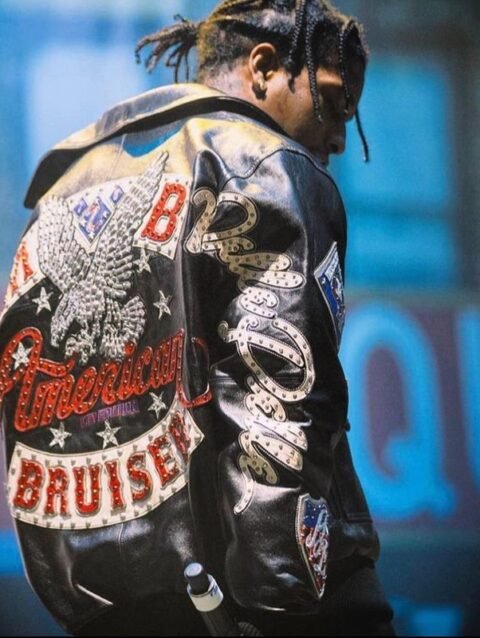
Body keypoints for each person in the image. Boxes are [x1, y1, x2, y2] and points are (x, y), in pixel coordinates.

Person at [0, 0, 395, 635]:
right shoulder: (269, 165)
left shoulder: (56, 197)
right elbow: (284, 396)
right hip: (273, 605)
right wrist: (282, 599)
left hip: (110, 611)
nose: (340, 138)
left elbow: (35, 433)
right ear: (264, 67)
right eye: (331, 100)